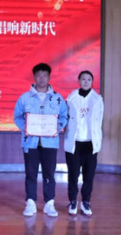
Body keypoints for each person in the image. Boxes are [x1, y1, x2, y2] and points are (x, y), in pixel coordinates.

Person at [13, 62, 69, 217]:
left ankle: (49, 203)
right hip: (30, 142)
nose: (42, 78)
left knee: (49, 173)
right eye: (39, 75)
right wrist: (26, 128)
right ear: (34, 77)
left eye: (45, 75)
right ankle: (30, 202)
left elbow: (64, 116)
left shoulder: (57, 98)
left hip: (50, 142)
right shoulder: (24, 98)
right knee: (30, 173)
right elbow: (17, 117)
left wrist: (57, 127)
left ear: (49, 77)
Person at [64, 70, 104, 216]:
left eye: (89, 79)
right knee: (73, 174)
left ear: (92, 82)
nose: (86, 82)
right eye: (83, 79)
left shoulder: (98, 99)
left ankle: (86, 201)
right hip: (74, 142)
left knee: (89, 175)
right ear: (79, 81)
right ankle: (73, 201)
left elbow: (99, 120)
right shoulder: (71, 98)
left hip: (90, 143)